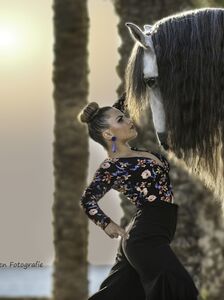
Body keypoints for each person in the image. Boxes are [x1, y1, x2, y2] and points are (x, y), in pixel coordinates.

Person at [77, 93, 199, 300]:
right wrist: (106, 224)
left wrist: (146, 72)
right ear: (108, 135)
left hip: (147, 234)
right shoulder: (112, 166)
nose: (129, 120)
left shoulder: (133, 153)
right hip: (144, 237)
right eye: (120, 120)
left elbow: (132, 93)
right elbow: (87, 200)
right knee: (180, 288)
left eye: (124, 116)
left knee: (114, 296)